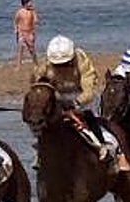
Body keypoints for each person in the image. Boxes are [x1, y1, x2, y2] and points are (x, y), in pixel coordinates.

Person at [33, 35, 115, 163]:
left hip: (81, 102)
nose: (61, 67)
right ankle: (39, 154)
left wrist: (75, 103)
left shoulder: (82, 62)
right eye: (57, 65)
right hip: (57, 104)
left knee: (94, 125)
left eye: (64, 64)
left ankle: (103, 146)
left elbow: (89, 90)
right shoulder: (45, 65)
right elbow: (38, 86)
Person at [13, 0, 38, 66]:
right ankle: (19, 65)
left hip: (29, 32)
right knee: (20, 49)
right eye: (30, 2)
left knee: (31, 49)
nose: (31, 4)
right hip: (21, 32)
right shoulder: (19, 12)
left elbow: (36, 20)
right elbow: (15, 21)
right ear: (25, 4)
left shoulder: (32, 11)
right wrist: (16, 29)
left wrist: (35, 18)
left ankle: (36, 63)